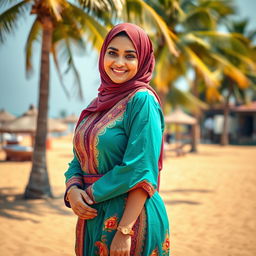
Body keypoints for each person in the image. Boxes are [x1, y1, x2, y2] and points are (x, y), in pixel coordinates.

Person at [64, 23, 170, 256]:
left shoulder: (142, 101)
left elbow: (141, 169)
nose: (119, 63)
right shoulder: (98, 103)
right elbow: (78, 158)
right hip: (92, 215)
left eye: (129, 56)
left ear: (142, 61)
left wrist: (124, 231)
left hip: (130, 218)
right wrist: (72, 190)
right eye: (113, 53)